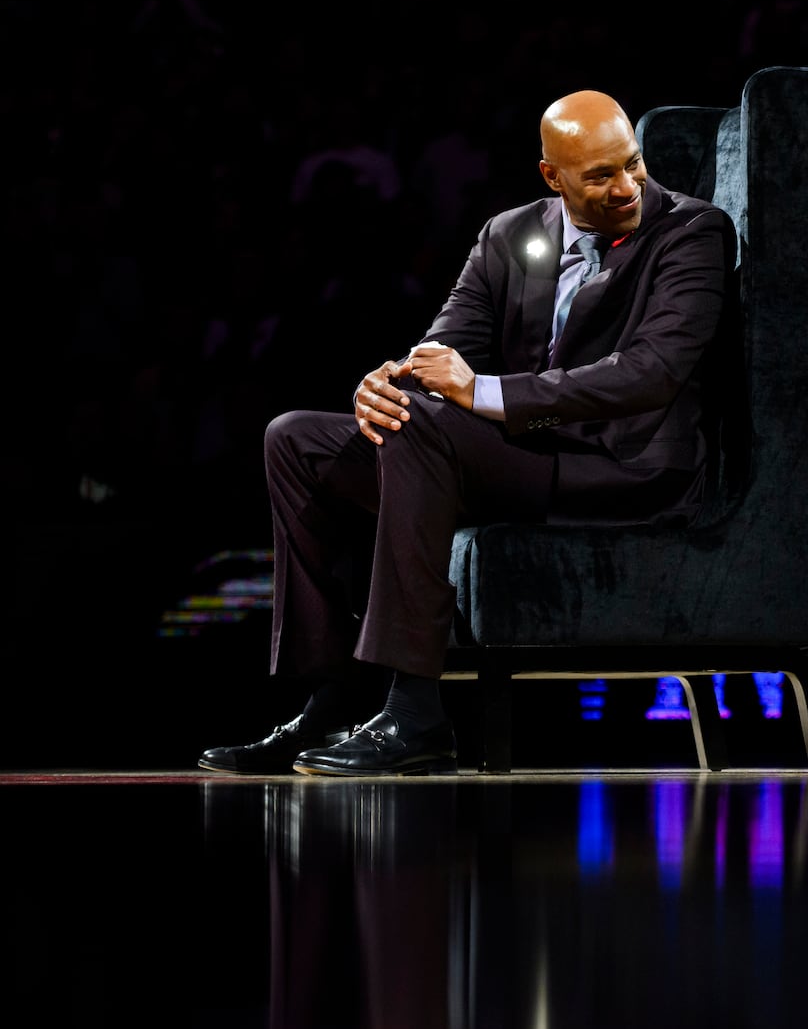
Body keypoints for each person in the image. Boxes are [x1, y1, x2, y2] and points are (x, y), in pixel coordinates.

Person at [199, 88, 738, 775]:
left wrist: (481, 393)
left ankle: (416, 712)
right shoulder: (509, 235)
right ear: (553, 177)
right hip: (518, 455)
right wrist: (388, 384)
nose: (628, 186)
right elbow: (442, 352)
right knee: (296, 440)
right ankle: (331, 698)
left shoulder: (692, 231)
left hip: (620, 466)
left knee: (425, 429)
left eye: (632, 164)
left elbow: (650, 374)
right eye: (601, 175)